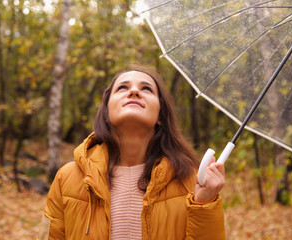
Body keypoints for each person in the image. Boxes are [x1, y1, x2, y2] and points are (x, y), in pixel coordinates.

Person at [38, 65, 226, 240]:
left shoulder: (191, 180)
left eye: (146, 89)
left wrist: (204, 204)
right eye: (122, 88)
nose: (134, 91)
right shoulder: (67, 178)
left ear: (160, 116)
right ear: (106, 113)